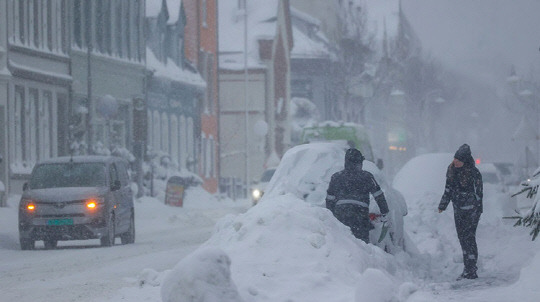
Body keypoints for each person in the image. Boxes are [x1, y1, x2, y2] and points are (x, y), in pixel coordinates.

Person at [438, 144, 483, 280]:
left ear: (465, 161)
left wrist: (478, 209)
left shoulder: (474, 173)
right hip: (458, 210)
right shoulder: (452, 171)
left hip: (472, 211)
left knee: (469, 238)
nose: (455, 161)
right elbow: (448, 190)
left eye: (459, 160)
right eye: (455, 158)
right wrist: (443, 205)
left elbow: (479, 193)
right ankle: (467, 268)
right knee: (462, 239)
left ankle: (471, 269)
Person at [326, 148, 389, 243]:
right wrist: (385, 212)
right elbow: (378, 196)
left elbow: (329, 199)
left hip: (341, 214)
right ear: (359, 162)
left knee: (342, 242)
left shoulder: (336, 177)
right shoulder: (367, 177)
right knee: (361, 245)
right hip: (360, 215)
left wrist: (330, 216)